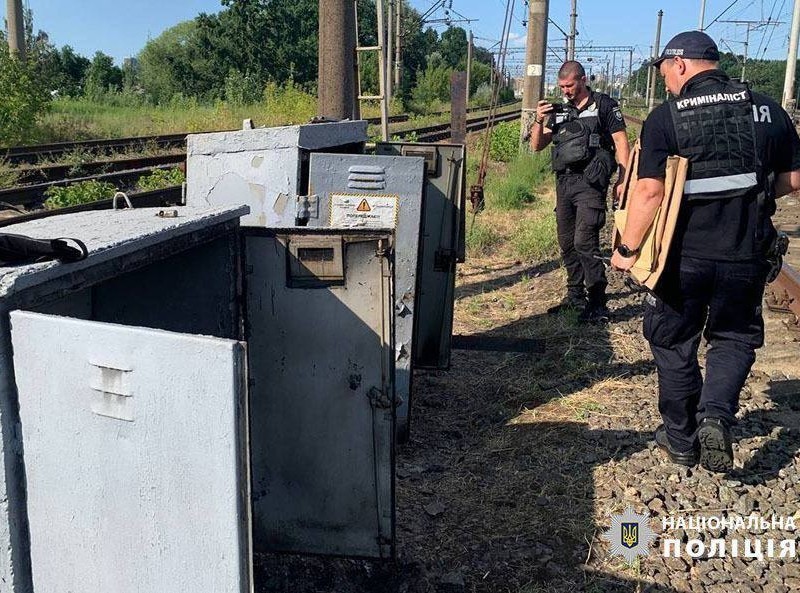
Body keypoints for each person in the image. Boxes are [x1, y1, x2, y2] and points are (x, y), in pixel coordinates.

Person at [610, 31, 800, 472]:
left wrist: (626, 249)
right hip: (746, 253)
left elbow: (650, 192)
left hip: (682, 258)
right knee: (733, 337)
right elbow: (794, 178)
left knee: (674, 340)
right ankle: (715, 415)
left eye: (664, 74)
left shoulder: (668, 117)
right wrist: (758, 189)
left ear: (680, 64)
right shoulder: (768, 109)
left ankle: (680, 438)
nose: (667, 83)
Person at [531, 61, 631, 322]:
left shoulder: (604, 105)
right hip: (564, 183)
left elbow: (621, 142)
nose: (565, 91)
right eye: (562, 86)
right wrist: (539, 120)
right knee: (567, 242)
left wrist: (623, 179)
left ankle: (597, 303)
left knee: (584, 241)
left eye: (570, 86)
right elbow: (537, 145)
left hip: (590, 183)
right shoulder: (559, 110)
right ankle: (574, 297)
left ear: (583, 80)